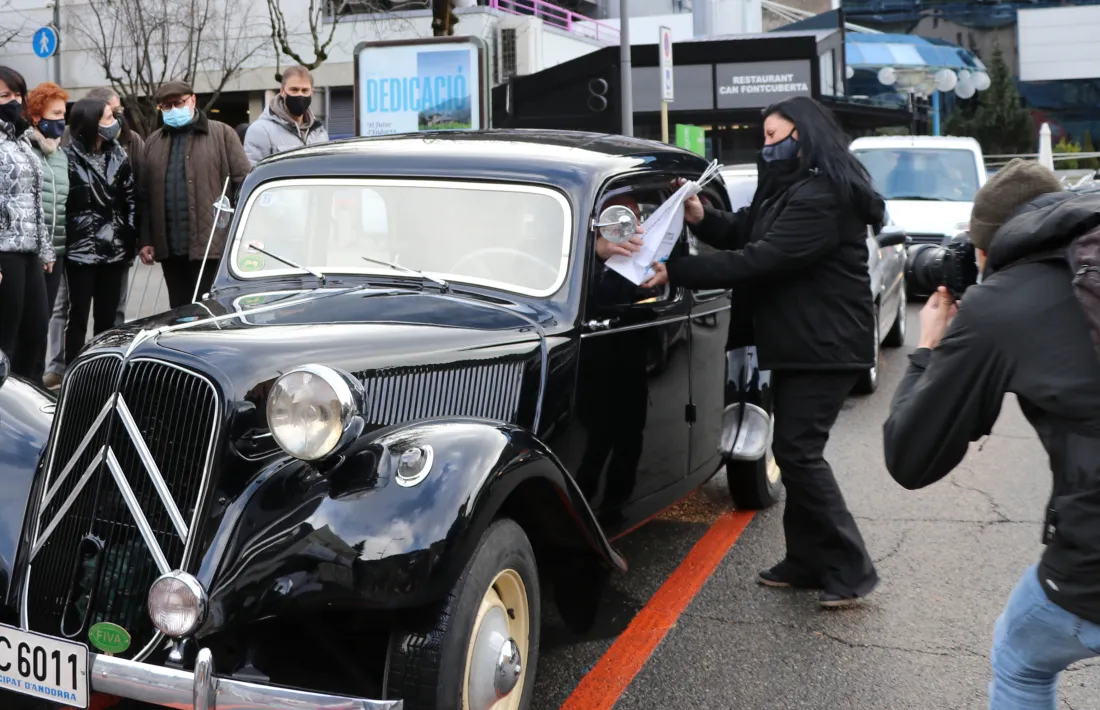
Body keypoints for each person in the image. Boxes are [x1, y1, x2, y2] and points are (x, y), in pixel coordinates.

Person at [642, 96, 884, 608]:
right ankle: (805, 560)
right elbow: (743, 230)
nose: (767, 146)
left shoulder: (823, 196)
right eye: (766, 137)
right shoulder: (793, 189)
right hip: (803, 344)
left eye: (776, 136)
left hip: (826, 345)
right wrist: (701, 215)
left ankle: (851, 567)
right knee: (794, 452)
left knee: (799, 452)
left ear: (806, 135)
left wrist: (679, 270)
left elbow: (762, 258)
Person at [882, 159, 1100, 709]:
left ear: (988, 248)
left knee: (1022, 658)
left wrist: (929, 348)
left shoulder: (1003, 301)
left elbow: (911, 457)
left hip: (1094, 562)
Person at [138, 80, 250, 309]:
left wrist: (241, 233)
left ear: (193, 100)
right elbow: (145, 195)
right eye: (165, 107)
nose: (172, 110)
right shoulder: (153, 142)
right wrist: (146, 240)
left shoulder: (222, 134)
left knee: (211, 312)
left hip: (212, 245)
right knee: (179, 312)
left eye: (178, 103)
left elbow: (243, 183)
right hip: (170, 247)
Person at [62, 98, 136, 365]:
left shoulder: (118, 155)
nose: (113, 123)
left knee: (108, 317)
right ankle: (72, 368)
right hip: (80, 248)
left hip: (113, 246)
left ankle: (103, 369)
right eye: (106, 118)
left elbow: (130, 199)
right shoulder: (68, 158)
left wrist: (128, 238)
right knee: (78, 315)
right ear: (90, 124)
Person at [0, 66, 54, 380]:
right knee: (5, 337)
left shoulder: (22, 139)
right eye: (5, 95)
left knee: (35, 328)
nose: (14, 100)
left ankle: (22, 397)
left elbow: (35, 201)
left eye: (18, 93)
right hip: (4, 251)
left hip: (29, 250)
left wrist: (45, 249)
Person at [26, 82, 69, 319]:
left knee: (43, 320)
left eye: (63, 113)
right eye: (55, 114)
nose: (61, 120)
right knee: (28, 324)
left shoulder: (61, 155)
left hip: (58, 250)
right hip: (31, 253)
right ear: (35, 116)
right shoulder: (24, 152)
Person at [243, 65, 328, 165]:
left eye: (305, 90)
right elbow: (253, 174)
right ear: (282, 92)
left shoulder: (319, 131)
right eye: (294, 90)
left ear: (312, 93)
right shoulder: (261, 131)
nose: (299, 95)